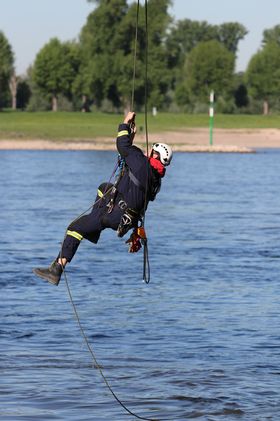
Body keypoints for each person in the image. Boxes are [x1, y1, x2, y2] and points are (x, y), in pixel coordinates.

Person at [33, 111, 173, 286]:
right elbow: (131, 159)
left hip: (114, 213)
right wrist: (133, 137)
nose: (148, 151)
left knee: (74, 228)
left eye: (151, 151)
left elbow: (123, 146)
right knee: (104, 188)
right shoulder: (156, 179)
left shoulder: (141, 163)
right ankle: (94, 226)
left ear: (155, 155)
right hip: (127, 218)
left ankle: (56, 270)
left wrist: (125, 124)